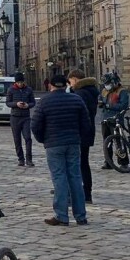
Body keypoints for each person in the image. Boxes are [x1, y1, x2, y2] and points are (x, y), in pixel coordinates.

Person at [31, 73, 91, 226]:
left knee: (59, 178)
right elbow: (86, 123)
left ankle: (62, 216)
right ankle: (81, 216)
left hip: (54, 143)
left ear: (50, 85)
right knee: (76, 178)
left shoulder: (44, 101)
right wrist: (79, 138)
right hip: (73, 142)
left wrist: (43, 139)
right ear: (65, 85)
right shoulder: (76, 99)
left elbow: (36, 125)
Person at [67, 69, 99, 204]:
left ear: (75, 79)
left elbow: (76, 113)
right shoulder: (91, 91)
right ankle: (86, 193)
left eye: (70, 82)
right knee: (83, 162)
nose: (70, 84)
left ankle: (80, 193)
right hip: (88, 130)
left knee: (77, 164)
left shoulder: (80, 94)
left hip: (79, 132)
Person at [7, 71, 36, 167]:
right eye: (18, 82)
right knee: (17, 139)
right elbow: (8, 103)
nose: (20, 84)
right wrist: (16, 104)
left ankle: (29, 159)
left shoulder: (29, 90)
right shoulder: (11, 90)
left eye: (21, 82)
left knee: (28, 138)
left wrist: (28, 105)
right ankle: (21, 159)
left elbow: (33, 102)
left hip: (25, 117)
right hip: (15, 117)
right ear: (15, 82)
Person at [99, 78, 130, 169]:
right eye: (105, 84)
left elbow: (123, 105)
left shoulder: (121, 91)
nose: (106, 85)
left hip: (116, 118)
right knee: (106, 141)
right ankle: (108, 161)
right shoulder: (104, 90)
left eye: (108, 83)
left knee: (118, 141)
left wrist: (110, 106)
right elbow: (100, 98)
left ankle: (123, 162)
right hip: (105, 118)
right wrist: (100, 102)